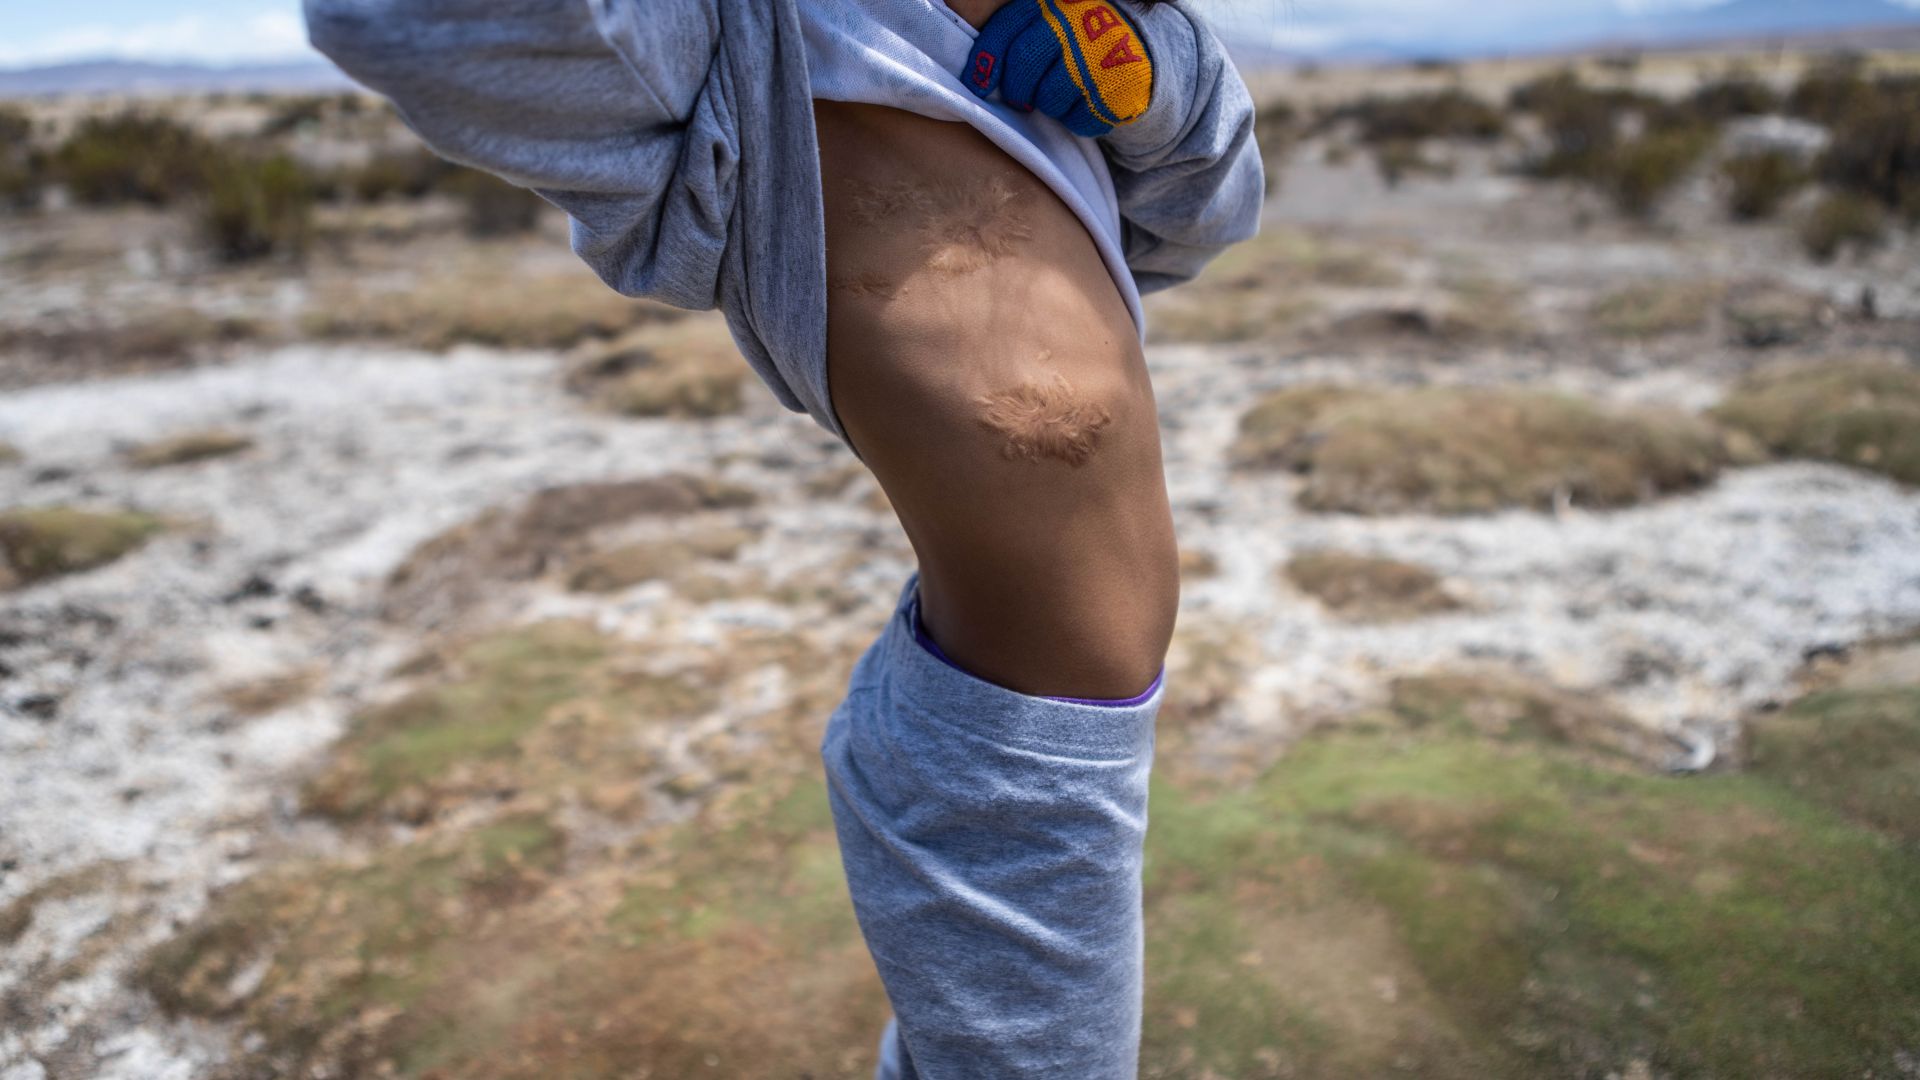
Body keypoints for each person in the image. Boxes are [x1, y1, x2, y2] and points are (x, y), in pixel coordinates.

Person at [304, 0, 1262, 1074]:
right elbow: (410, 25)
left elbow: (1207, 213)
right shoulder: (746, 49)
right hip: (1001, 765)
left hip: (1097, 734)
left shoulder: (1050, 20)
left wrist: (1150, 74)